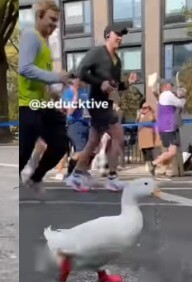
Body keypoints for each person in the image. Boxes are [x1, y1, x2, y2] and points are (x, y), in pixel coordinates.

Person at [65, 25, 139, 192]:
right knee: (118, 136)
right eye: (117, 34)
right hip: (97, 104)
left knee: (93, 142)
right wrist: (100, 82)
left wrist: (128, 83)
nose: (120, 37)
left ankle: (75, 175)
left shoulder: (117, 61)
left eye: (122, 35)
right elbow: (80, 72)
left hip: (106, 104)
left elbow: (115, 86)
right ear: (107, 35)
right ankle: (112, 178)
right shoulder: (97, 52)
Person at [18, 0, 69, 193]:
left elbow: (42, 79)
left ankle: (35, 178)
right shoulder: (30, 35)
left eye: (57, 22)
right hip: (27, 104)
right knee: (24, 151)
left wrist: (56, 91)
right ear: (39, 16)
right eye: (52, 20)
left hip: (43, 105)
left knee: (60, 143)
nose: (54, 25)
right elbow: (24, 68)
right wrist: (56, 76)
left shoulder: (45, 44)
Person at [150, 80, 187, 175]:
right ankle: (153, 163)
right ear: (166, 86)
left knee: (172, 151)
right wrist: (183, 95)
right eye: (171, 86)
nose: (172, 88)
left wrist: (180, 94)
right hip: (168, 126)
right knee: (172, 152)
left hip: (166, 126)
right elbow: (181, 103)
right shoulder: (167, 94)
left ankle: (160, 168)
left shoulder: (164, 96)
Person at [62, 77, 90, 177]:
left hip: (87, 123)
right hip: (75, 124)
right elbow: (70, 111)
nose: (79, 83)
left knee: (92, 149)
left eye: (80, 81)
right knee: (81, 150)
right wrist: (75, 96)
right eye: (76, 82)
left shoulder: (84, 92)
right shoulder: (68, 93)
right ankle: (71, 173)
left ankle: (81, 170)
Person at [136, 101, 159, 173]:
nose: (144, 109)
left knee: (148, 150)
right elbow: (136, 122)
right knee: (144, 150)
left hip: (148, 134)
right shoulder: (140, 114)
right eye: (143, 107)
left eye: (146, 107)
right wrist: (139, 114)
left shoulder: (151, 113)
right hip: (141, 134)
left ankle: (152, 164)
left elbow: (152, 120)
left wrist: (149, 112)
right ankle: (149, 164)